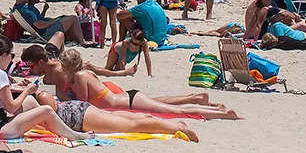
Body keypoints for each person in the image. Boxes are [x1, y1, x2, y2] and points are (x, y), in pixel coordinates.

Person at [31, 46, 238, 121]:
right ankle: (212, 107)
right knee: (172, 109)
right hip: (127, 98)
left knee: (176, 111)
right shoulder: (83, 74)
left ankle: (223, 113)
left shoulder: (80, 77)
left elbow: (85, 106)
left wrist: (64, 97)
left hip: (129, 102)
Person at [0, 36, 92, 141]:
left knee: (30, 101)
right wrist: (27, 90)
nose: (12, 60)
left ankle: (55, 127)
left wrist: (19, 89)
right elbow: (11, 108)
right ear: (2, 56)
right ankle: (74, 135)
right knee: (45, 110)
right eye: (11, 56)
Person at [14, 0, 85, 45]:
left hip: (43, 31)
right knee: (73, 18)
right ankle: (82, 42)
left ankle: (76, 40)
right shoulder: (27, 9)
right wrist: (54, 21)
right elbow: (39, 25)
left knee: (66, 18)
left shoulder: (17, 8)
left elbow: (38, 20)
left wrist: (45, 11)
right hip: (46, 32)